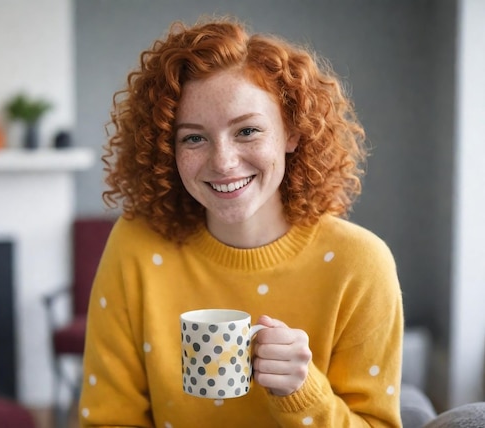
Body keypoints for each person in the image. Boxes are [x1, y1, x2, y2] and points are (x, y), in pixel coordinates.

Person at [79, 16, 403, 427]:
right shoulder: (136, 245)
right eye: (193, 137)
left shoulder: (360, 264)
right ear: (167, 148)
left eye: (247, 130)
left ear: (292, 132)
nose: (224, 162)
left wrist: (302, 391)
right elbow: (107, 420)